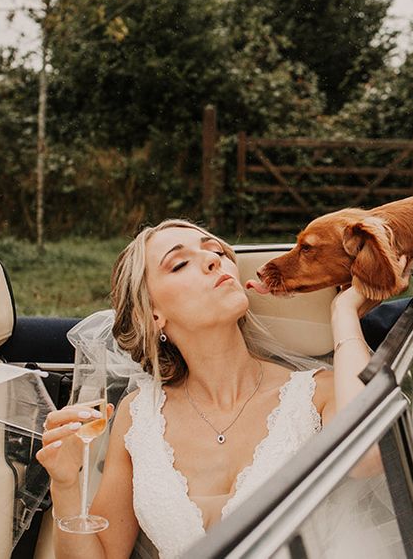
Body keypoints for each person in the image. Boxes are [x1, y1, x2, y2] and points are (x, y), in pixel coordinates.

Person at [36, 219, 382, 559]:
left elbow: (371, 456)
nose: (214, 260)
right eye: (180, 263)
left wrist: (344, 312)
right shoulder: (137, 416)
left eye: (216, 250)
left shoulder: (319, 394)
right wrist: (65, 486)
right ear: (152, 315)